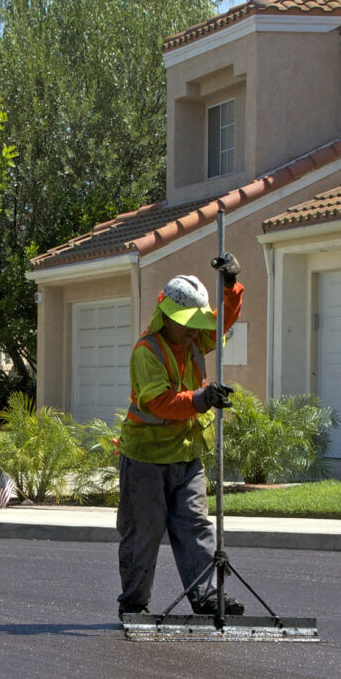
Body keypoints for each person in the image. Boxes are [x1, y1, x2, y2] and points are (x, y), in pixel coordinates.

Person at [118, 256, 242, 618]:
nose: (192, 331)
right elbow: (159, 402)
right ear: (166, 316)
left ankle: (207, 599)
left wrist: (230, 284)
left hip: (186, 455)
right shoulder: (147, 352)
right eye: (186, 323)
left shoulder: (193, 342)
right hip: (146, 458)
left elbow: (223, 321)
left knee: (196, 526)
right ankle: (134, 605)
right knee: (144, 532)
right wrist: (202, 399)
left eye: (195, 324)